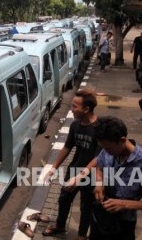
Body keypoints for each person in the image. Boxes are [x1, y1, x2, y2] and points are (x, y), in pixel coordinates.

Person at [90, 116, 142, 240]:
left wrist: (125, 204)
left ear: (122, 140)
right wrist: (99, 182)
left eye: (108, 148)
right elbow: (99, 166)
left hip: (123, 225)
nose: (106, 151)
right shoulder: (108, 149)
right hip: (100, 216)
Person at [42, 89, 101, 239]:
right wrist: (53, 167)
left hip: (92, 176)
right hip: (73, 170)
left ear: (86, 109)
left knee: (86, 206)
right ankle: (60, 225)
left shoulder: (99, 128)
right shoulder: (75, 125)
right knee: (64, 199)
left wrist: (80, 177)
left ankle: (82, 235)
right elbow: (67, 147)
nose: (71, 109)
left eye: (75, 106)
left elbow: (98, 158)